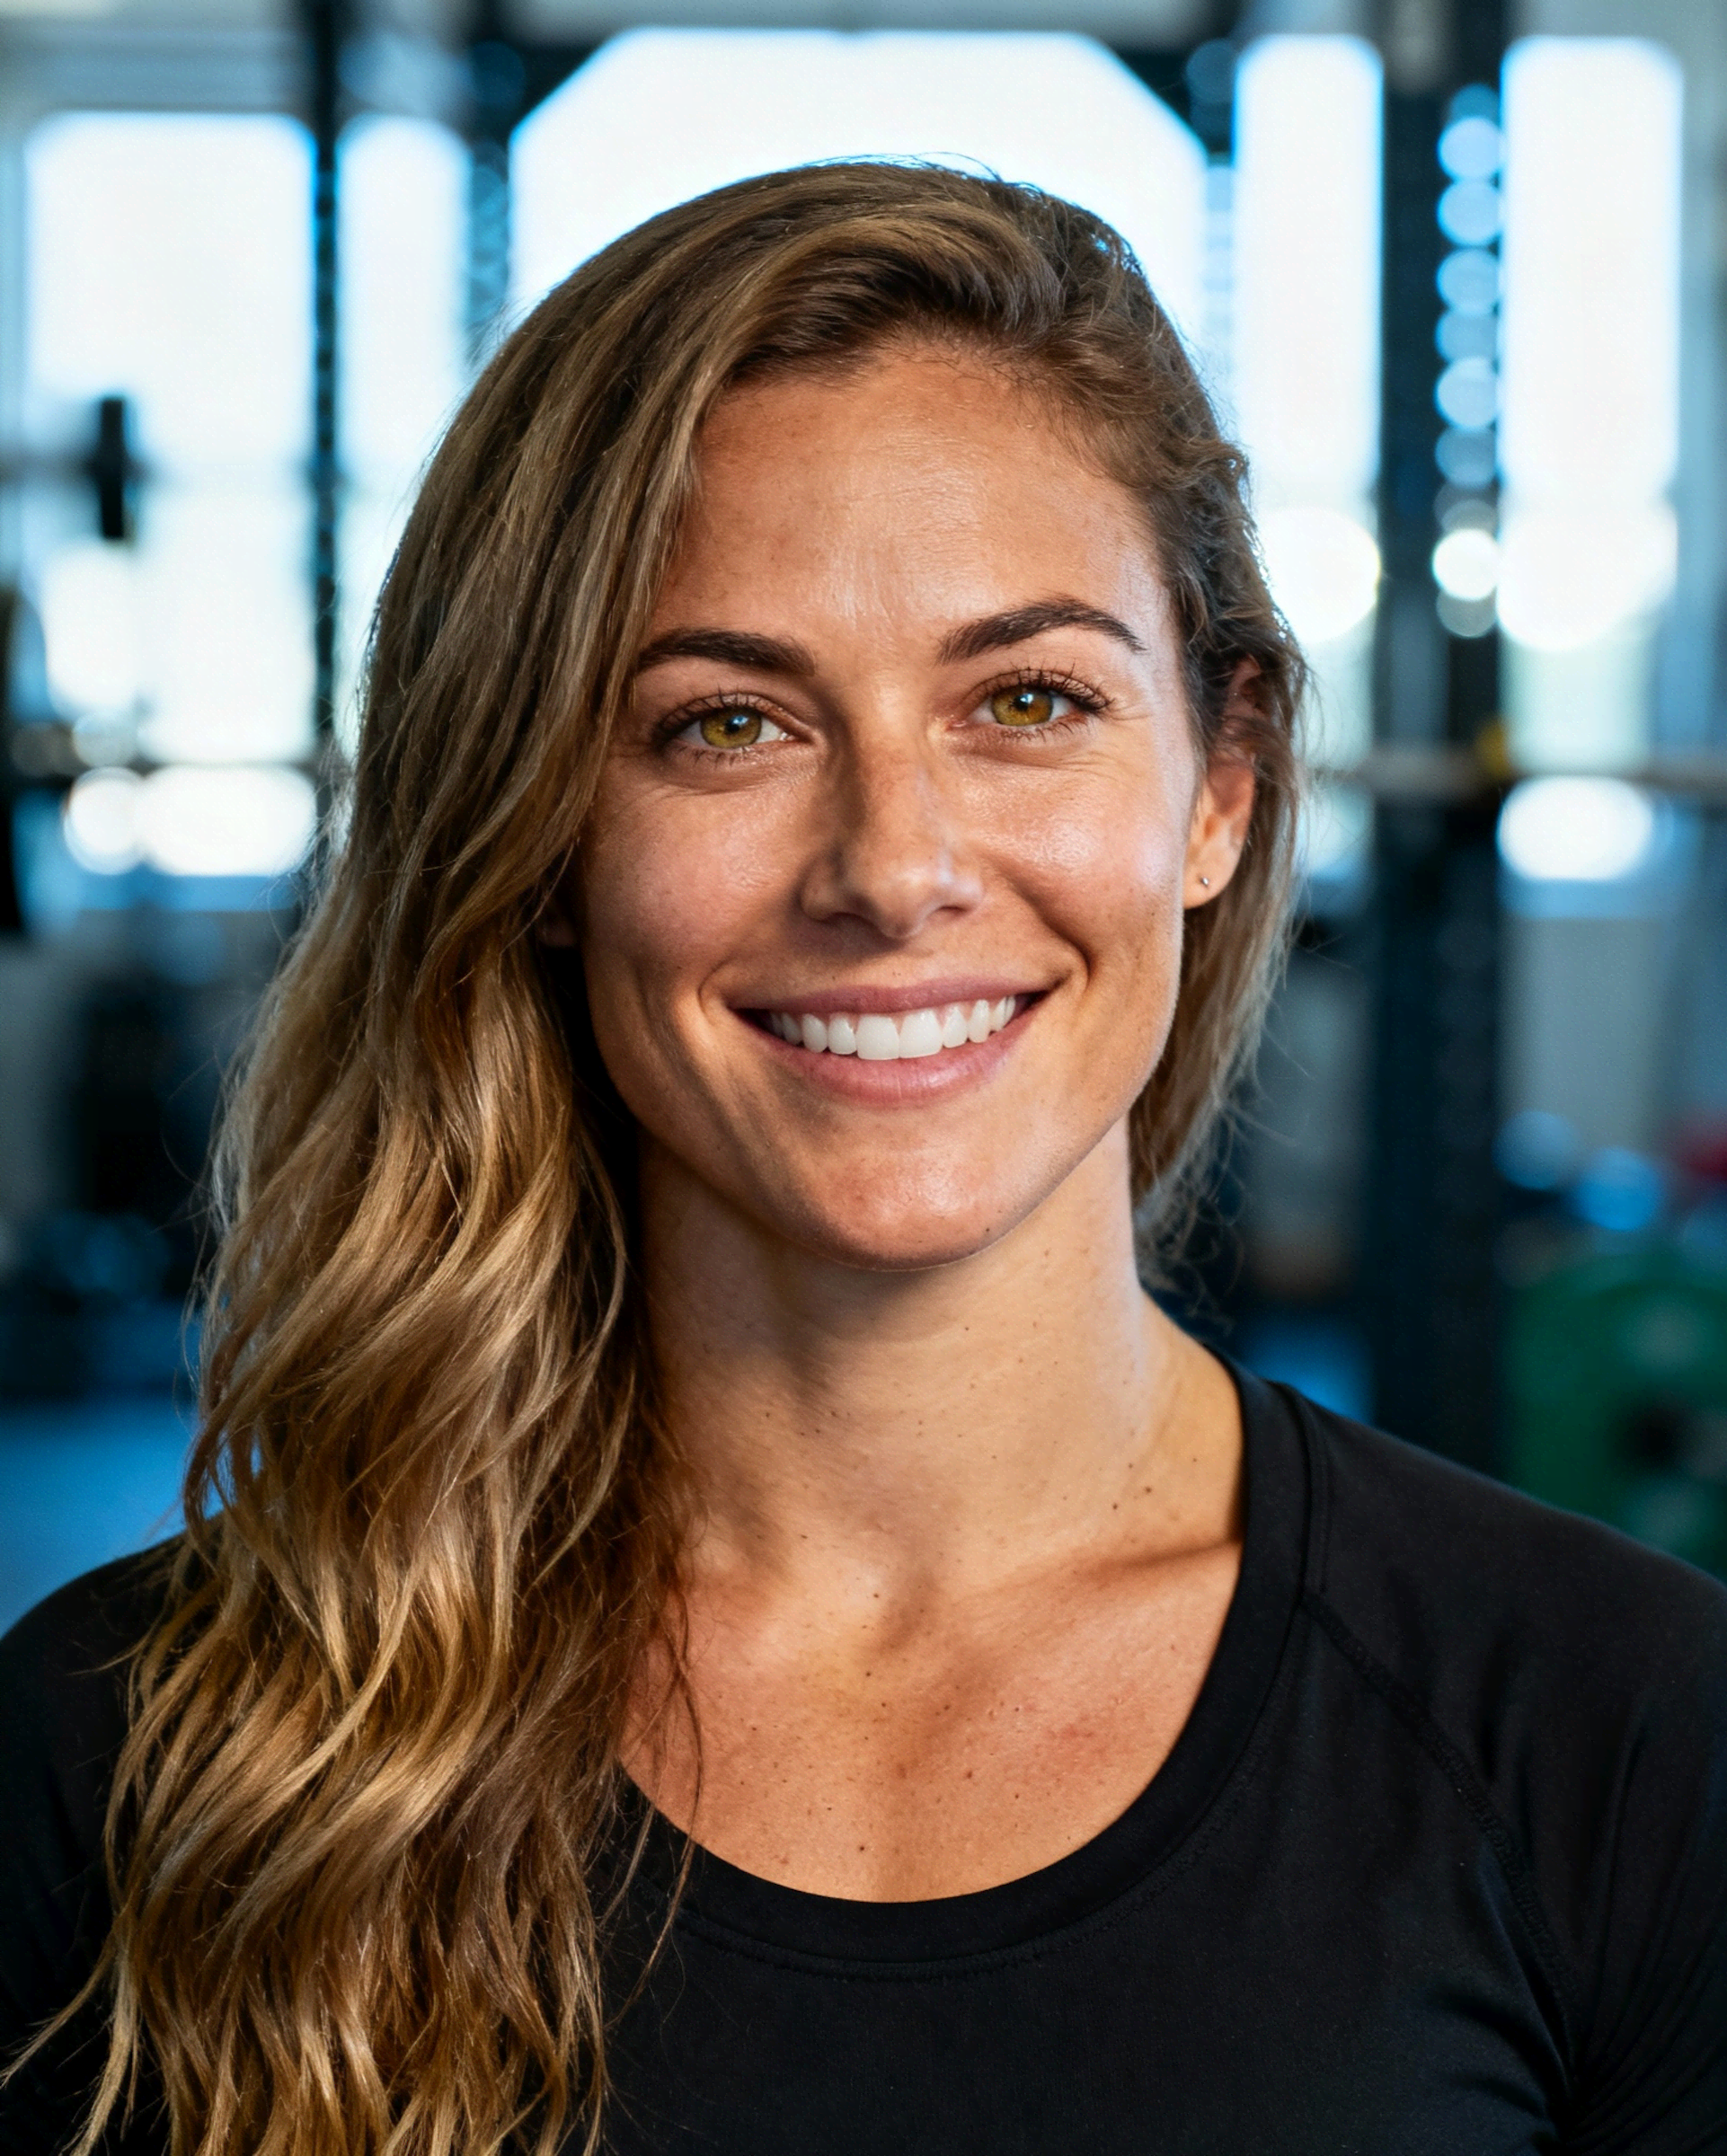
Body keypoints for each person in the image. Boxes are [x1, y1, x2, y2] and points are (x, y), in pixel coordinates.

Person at [3, 163, 1724, 2156]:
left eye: (1025, 700)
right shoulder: (140, 1753)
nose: (894, 869)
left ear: (1220, 790)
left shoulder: (1621, 1732)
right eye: (724, 724)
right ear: (542, 835)